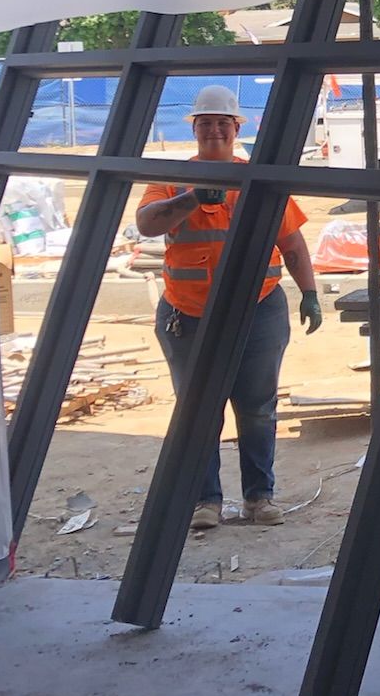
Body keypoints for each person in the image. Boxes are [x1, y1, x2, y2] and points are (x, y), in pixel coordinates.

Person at [136, 84, 322, 531]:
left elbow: (292, 243)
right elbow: (146, 224)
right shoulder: (171, 178)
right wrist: (192, 197)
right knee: (199, 410)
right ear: (194, 129)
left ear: (237, 128)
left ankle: (259, 497)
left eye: (223, 123)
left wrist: (310, 292)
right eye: (206, 123)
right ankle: (205, 501)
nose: (215, 130)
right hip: (188, 314)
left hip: (258, 309)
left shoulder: (258, 179)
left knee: (257, 408)